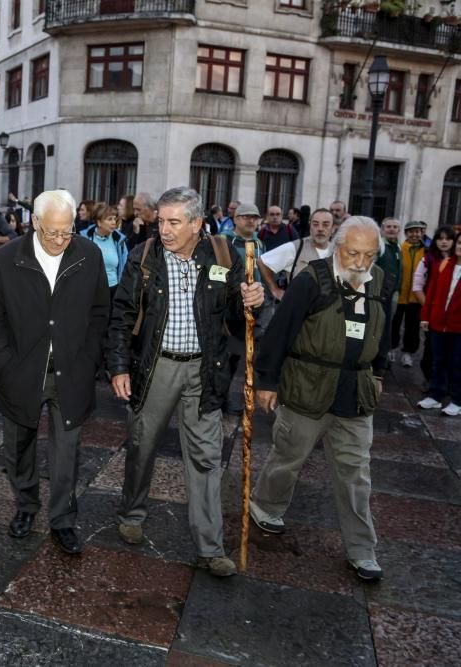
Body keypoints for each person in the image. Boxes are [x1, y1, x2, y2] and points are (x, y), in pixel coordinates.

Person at [106, 186, 264, 578]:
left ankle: (209, 547)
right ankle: (132, 512)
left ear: (197, 224)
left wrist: (251, 299)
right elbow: (123, 314)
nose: (164, 229)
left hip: (204, 369)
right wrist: (119, 367)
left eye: (174, 222)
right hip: (155, 366)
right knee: (142, 444)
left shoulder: (223, 254)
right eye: (161, 220)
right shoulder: (143, 256)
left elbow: (234, 310)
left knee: (207, 457)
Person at [251, 216, 391, 582]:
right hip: (307, 387)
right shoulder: (311, 279)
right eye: (353, 253)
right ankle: (265, 506)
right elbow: (281, 330)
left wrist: (378, 373)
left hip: (354, 395)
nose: (360, 263)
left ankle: (362, 549)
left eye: (369, 255)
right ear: (338, 246)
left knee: (356, 475)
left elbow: (383, 331)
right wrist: (267, 381)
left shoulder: (381, 281)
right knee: (288, 457)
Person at [0, 190, 109, 554]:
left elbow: (101, 312)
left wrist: (89, 360)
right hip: (20, 371)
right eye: (51, 232)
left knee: (67, 449)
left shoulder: (89, 255)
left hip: (72, 371)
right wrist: (3, 366)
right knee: (18, 446)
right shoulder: (6, 259)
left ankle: (63, 519)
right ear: (34, 222)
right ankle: (25, 506)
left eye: (67, 232)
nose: (59, 240)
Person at [219, 202, 266, 414]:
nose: (250, 221)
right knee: (223, 354)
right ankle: (217, 397)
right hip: (228, 306)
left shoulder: (259, 244)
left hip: (251, 307)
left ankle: (224, 396)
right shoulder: (223, 241)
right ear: (236, 219)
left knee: (237, 355)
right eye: (246, 216)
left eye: (254, 217)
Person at [417, 233, 461, 416]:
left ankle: (457, 400)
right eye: (459, 242)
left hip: (458, 327)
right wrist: (425, 317)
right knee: (438, 361)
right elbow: (432, 291)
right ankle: (436, 395)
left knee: (458, 363)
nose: (460, 246)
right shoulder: (444, 264)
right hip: (438, 323)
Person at [258, 208, 335, 301]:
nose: (320, 229)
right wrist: (275, 290)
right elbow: (262, 261)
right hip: (300, 311)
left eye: (326, 224)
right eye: (315, 224)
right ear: (310, 226)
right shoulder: (296, 248)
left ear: (333, 227)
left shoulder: (338, 251)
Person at [411, 226, 456, 378]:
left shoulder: (457, 261)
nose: (444, 242)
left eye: (448, 239)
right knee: (431, 349)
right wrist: (430, 309)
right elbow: (417, 287)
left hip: (454, 316)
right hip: (432, 312)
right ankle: (430, 379)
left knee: (452, 351)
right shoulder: (428, 259)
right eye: (440, 238)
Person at [390, 220, 427, 368]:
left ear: (422, 233)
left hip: (416, 296)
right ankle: (391, 348)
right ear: (406, 234)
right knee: (395, 323)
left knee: (413, 326)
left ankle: (408, 353)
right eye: (411, 231)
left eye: (417, 231)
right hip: (400, 294)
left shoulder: (427, 251)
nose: (414, 234)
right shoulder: (400, 249)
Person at [80, 202, 129, 306]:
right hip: (92, 290)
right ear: (99, 222)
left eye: (114, 219)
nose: (113, 223)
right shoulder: (85, 238)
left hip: (114, 290)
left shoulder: (119, 240)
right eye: (109, 219)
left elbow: (126, 266)